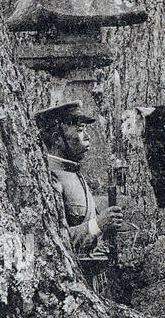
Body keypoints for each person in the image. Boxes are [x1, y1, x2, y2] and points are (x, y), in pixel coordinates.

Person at [35, 99, 123, 283]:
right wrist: (98, 225)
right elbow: (52, 241)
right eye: (80, 130)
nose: (87, 136)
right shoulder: (50, 178)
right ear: (57, 138)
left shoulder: (74, 173)